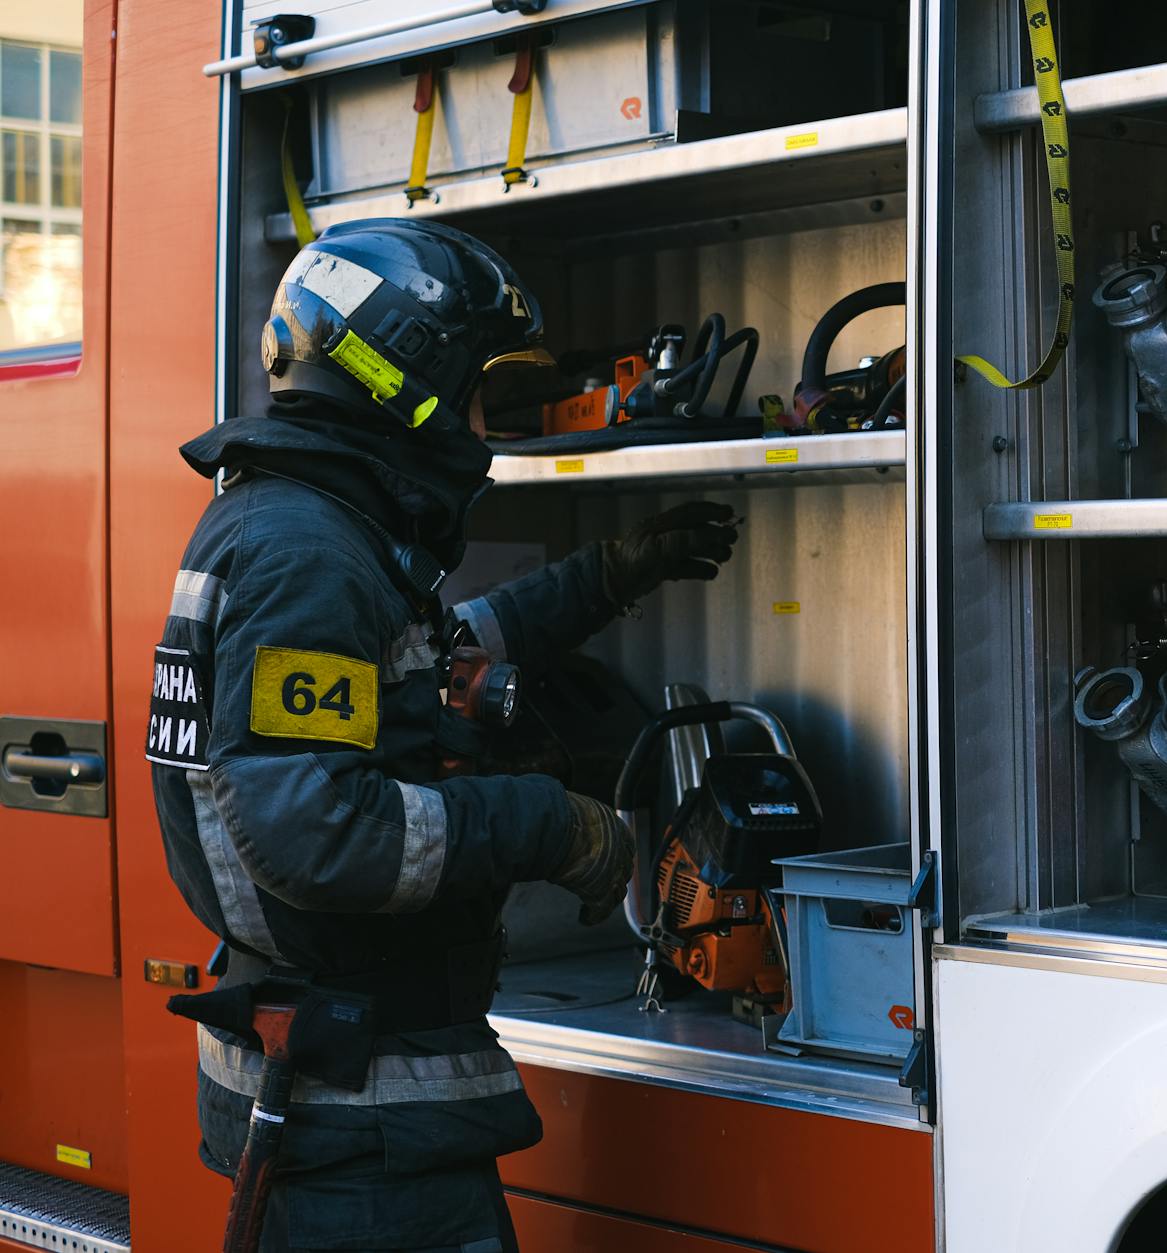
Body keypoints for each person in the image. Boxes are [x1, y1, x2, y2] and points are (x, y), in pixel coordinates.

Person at [146, 219, 739, 1251]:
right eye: (477, 387)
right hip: (363, 1136)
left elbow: (425, 657)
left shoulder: (297, 525)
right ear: (399, 377)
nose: (485, 420)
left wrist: (604, 577)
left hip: (347, 1111)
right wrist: (547, 824)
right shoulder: (308, 555)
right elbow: (318, 832)